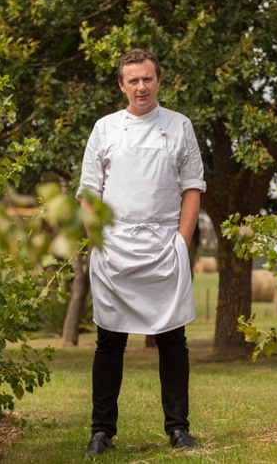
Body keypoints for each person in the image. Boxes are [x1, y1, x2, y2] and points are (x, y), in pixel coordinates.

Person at [76, 48, 206, 456]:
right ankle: (101, 433)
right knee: (109, 342)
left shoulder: (179, 125)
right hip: (114, 249)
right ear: (122, 85)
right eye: (133, 80)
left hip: (164, 247)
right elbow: (89, 192)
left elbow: (192, 187)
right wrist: (98, 242)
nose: (141, 87)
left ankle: (179, 429)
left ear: (159, 81)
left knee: (173, 340)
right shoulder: (104, 129)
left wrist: (181, 242)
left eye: (147, 78)